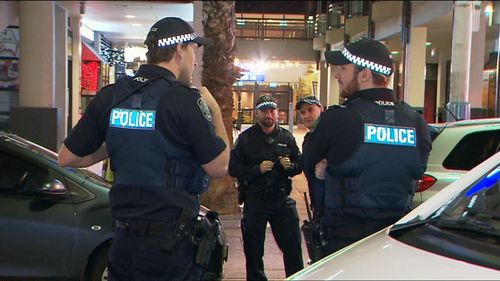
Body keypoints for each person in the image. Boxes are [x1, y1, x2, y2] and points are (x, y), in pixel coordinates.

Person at [58, 17, 229, 281]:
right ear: (179, 50)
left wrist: (121, 138)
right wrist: (215, 111)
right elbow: (219, 166)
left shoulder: (111, 95)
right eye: (194, 52)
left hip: (123, 245)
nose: (195, 62)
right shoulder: (185, 100)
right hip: (172, 251)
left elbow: (67, 157)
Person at [304, 37, 432, 255]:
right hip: (394, 242)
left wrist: (326, 169)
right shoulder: (416, 121)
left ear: (364, 75)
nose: (337, 75)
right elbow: (416, 168)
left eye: (343, 69)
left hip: (344, 242)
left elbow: (308, 165)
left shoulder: (338, 118)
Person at [229, 95, 304, 280]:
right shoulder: (246, 139)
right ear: (257, 113)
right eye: (264, 111)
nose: (268, 114)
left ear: (277, 113)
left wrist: (291, 167)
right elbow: (233, 168)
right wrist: (257, 170)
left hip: (281, 199)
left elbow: (300, 163)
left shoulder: (286, 137)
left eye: (272, 110)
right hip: (256, 199)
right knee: (254, 253)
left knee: (293, 249)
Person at [296, 96, 324, 219]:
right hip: (317, 199)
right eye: (303, 112)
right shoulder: (309, 138)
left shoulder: (327, 133)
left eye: (310, 110)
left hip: (331, 202)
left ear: (321, 109)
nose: (306, 115)